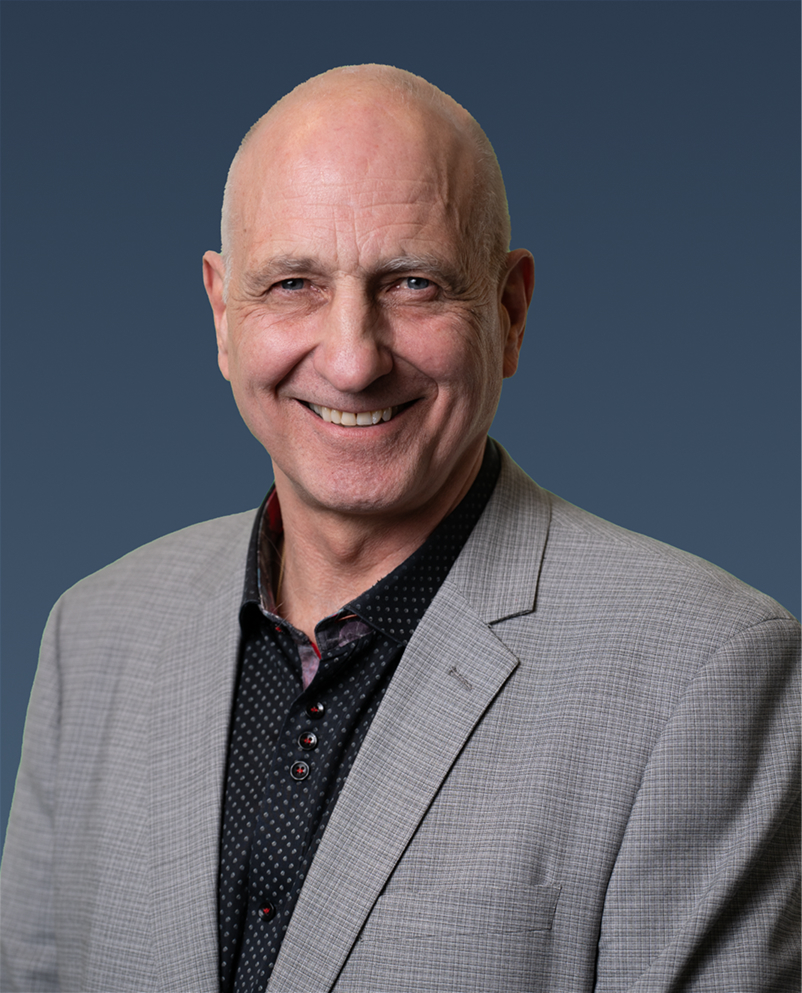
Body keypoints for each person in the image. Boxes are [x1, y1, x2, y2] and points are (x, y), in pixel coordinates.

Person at [1, 64, 798, 993]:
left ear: (510, 310)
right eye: (293, 282)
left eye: (414, 283)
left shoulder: (707, 673)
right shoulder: (91, 635)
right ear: (224, 315)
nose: (350, 358)